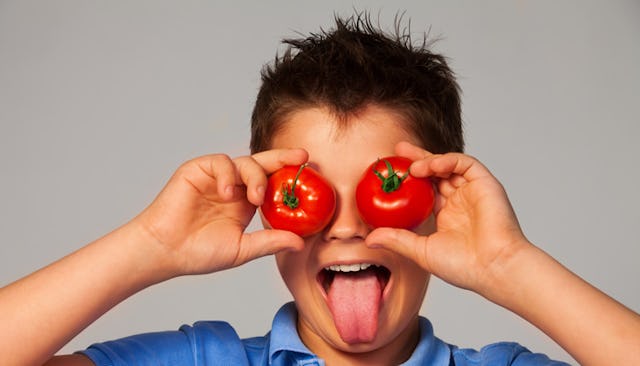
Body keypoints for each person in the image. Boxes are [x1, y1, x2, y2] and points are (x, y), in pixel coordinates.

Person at [1, 13, 639, 366]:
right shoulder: (203, 362)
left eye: (376, 190)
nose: (345, 228)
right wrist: (148, 244)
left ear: (440, 207)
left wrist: (510, 264)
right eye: (308, 197)